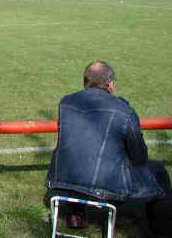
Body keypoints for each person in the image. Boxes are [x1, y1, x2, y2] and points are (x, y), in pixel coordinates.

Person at [45, 61, 171, 234]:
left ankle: (76, 215)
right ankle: (160, 231)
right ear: (111, 84)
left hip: (60, 182)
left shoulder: (66, 103)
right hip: (103, 189)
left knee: (83, 161)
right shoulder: (124, 111)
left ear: (85, 82)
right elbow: (139, 157)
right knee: (158, 171)